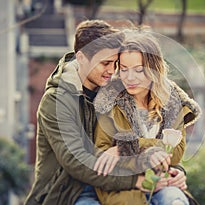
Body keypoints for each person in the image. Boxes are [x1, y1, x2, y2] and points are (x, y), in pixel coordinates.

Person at [24, 20, 147, 205]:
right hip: (68, 194)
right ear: (81, 58)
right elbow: (76, 162)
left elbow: (150, 136)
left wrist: (171, 171)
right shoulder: (56, 101)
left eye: (115, 63)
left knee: (173, 198)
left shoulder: (117, 95)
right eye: (105, 63)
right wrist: (134, 181)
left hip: (112, 186)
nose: (111, 71)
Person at [93, 29, 201, 205]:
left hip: (161, 180)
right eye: (124, 69)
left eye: (138, 70)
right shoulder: (110, 101)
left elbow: (175, 154)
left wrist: (125, 147)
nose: (129, 78)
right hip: (122, 185)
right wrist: (154, 151)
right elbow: (102, 154)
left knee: (175, 201)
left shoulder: (172, 102)